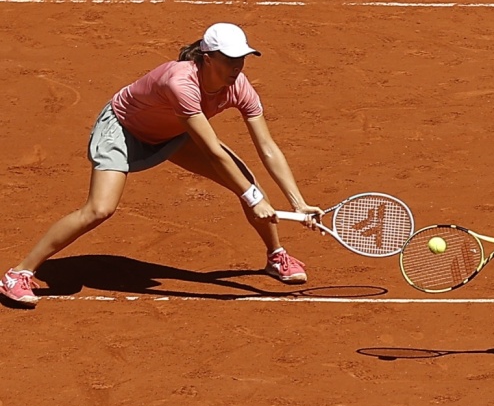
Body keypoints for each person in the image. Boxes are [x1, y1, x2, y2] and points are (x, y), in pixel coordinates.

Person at [1, 23, 322, 308]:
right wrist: (255, 199)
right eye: (229, 60)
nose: (237, 67)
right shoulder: (179, 81)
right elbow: (212, 150)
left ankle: (275, 255)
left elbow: (267, 147)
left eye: (241, 59)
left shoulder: (239, 86)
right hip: (124, 129)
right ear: (207, 58)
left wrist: (298, 202)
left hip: (172, 132)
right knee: (99, 209)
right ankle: (19, 273)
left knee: (246, 182)